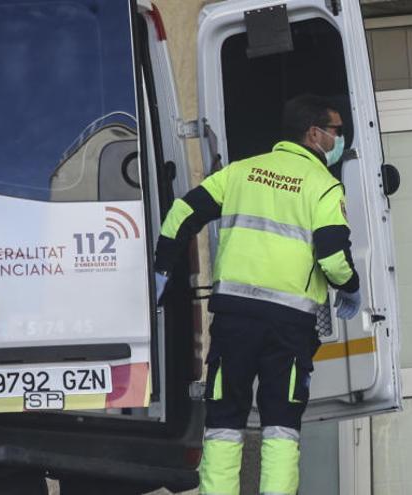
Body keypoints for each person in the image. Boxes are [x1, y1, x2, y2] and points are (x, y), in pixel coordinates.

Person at [153, 94, 361, 495]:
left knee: (224, 419)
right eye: (336, 130)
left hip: (234, 320)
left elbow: (182, 213)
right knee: (281, 423)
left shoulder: (242, 172)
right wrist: (350, 288)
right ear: (314, 133)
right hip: (288, 326)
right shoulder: (323, 186)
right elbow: (333, 257)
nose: (340, 139)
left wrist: (163, 268)